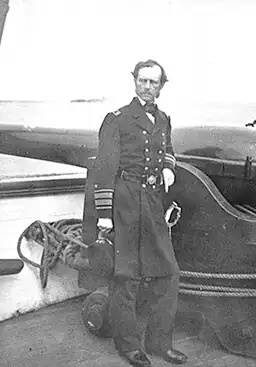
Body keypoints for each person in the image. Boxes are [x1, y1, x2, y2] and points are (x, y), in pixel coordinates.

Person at [93, 59, 188, 367]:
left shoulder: (164, 119)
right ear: (134, 81)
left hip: (153, 203)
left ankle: (160, 343)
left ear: (162, 86)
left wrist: (168, 167)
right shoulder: (117, 119)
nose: (148, 87)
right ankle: (129, 346)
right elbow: (105, 166)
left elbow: (168, 149)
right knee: (127, 277)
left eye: (154, 82)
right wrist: (105, 213)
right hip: (125, 202)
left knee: (168, 275)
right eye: (143, 80)